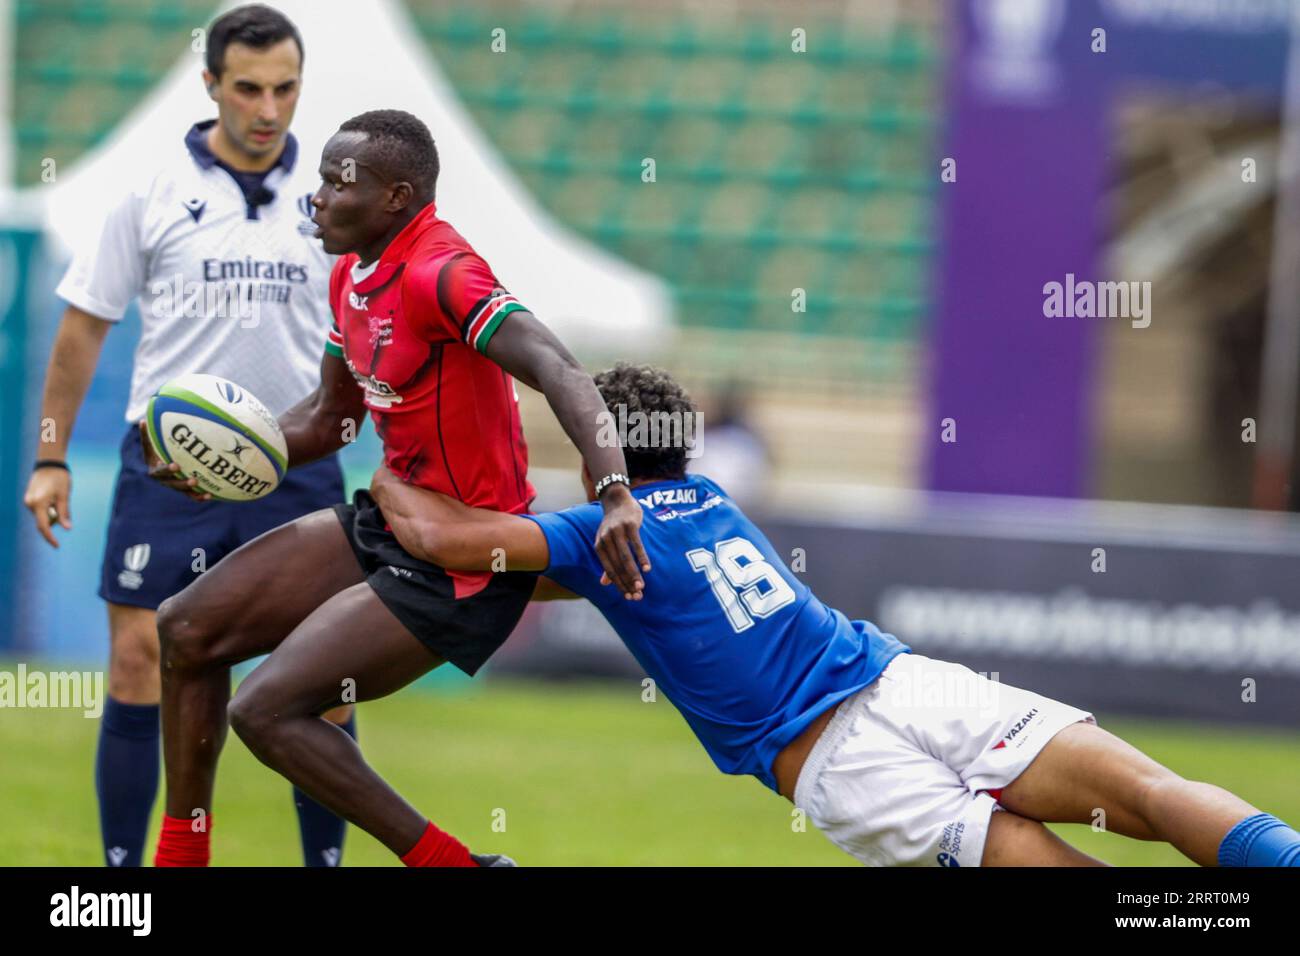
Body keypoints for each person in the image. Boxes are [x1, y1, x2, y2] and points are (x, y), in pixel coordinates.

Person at [368, 362, 1300, 867]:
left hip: (842, 766)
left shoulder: (592, 528)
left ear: (597, 450)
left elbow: (456, 547)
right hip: (906, 681)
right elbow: (551, 575)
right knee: (1149, 794)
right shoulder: (715, 502)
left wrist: (382, 467)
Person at [150, 109, 649, 867]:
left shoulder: (444, 275)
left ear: (397, 196)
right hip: (392, 521)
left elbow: (559, 368)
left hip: (466, 556)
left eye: (334, 181)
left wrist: (614, 491)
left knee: (269, 711)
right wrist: (221, 457)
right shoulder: (352, 273)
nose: (314, 197)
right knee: (186, 630)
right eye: (316, 178)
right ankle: (179, 861)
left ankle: (456, 866)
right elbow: (327, 419)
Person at [21, 4, 357, 868]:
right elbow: (83, 327)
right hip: (169, 467)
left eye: (285, 88)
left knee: (324, 680)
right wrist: (52, 454)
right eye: (247, 88)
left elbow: (369, 333)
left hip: (298, 464)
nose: (268, 108)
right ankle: (123, 883)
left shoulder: (334, 202)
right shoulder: (147, 189)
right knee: (140, 660)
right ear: (210, 84)